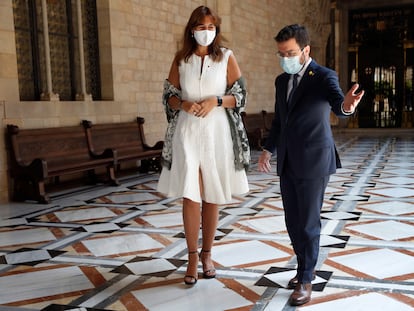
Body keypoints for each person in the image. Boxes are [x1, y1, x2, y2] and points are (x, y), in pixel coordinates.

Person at [258, 24, 364, 306]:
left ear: (306, 50)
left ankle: (306, 279)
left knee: (308, 222)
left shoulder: (323, 76)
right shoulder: (282, 81)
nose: (285, 58)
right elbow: (280, 120)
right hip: (288, 161)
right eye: (281, 53)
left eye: (290, 53)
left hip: (314, 161)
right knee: (292, 221)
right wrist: (268, 149)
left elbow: (338, 104)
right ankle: (303, 266)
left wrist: (348, 106)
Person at [157, 6, 250, 286]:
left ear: (216, 30)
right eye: (201, 27)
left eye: (210, 27)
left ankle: (208, 254)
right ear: (191, 30)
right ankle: (192, 257)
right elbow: (169, 96)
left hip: (216, 132)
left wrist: (216, 101)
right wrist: (183, 103)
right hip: (187, 131)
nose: (206, 32)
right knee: (190, 193)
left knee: (211, 193)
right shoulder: (181, 59)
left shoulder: (226, 57)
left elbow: (241, 96)